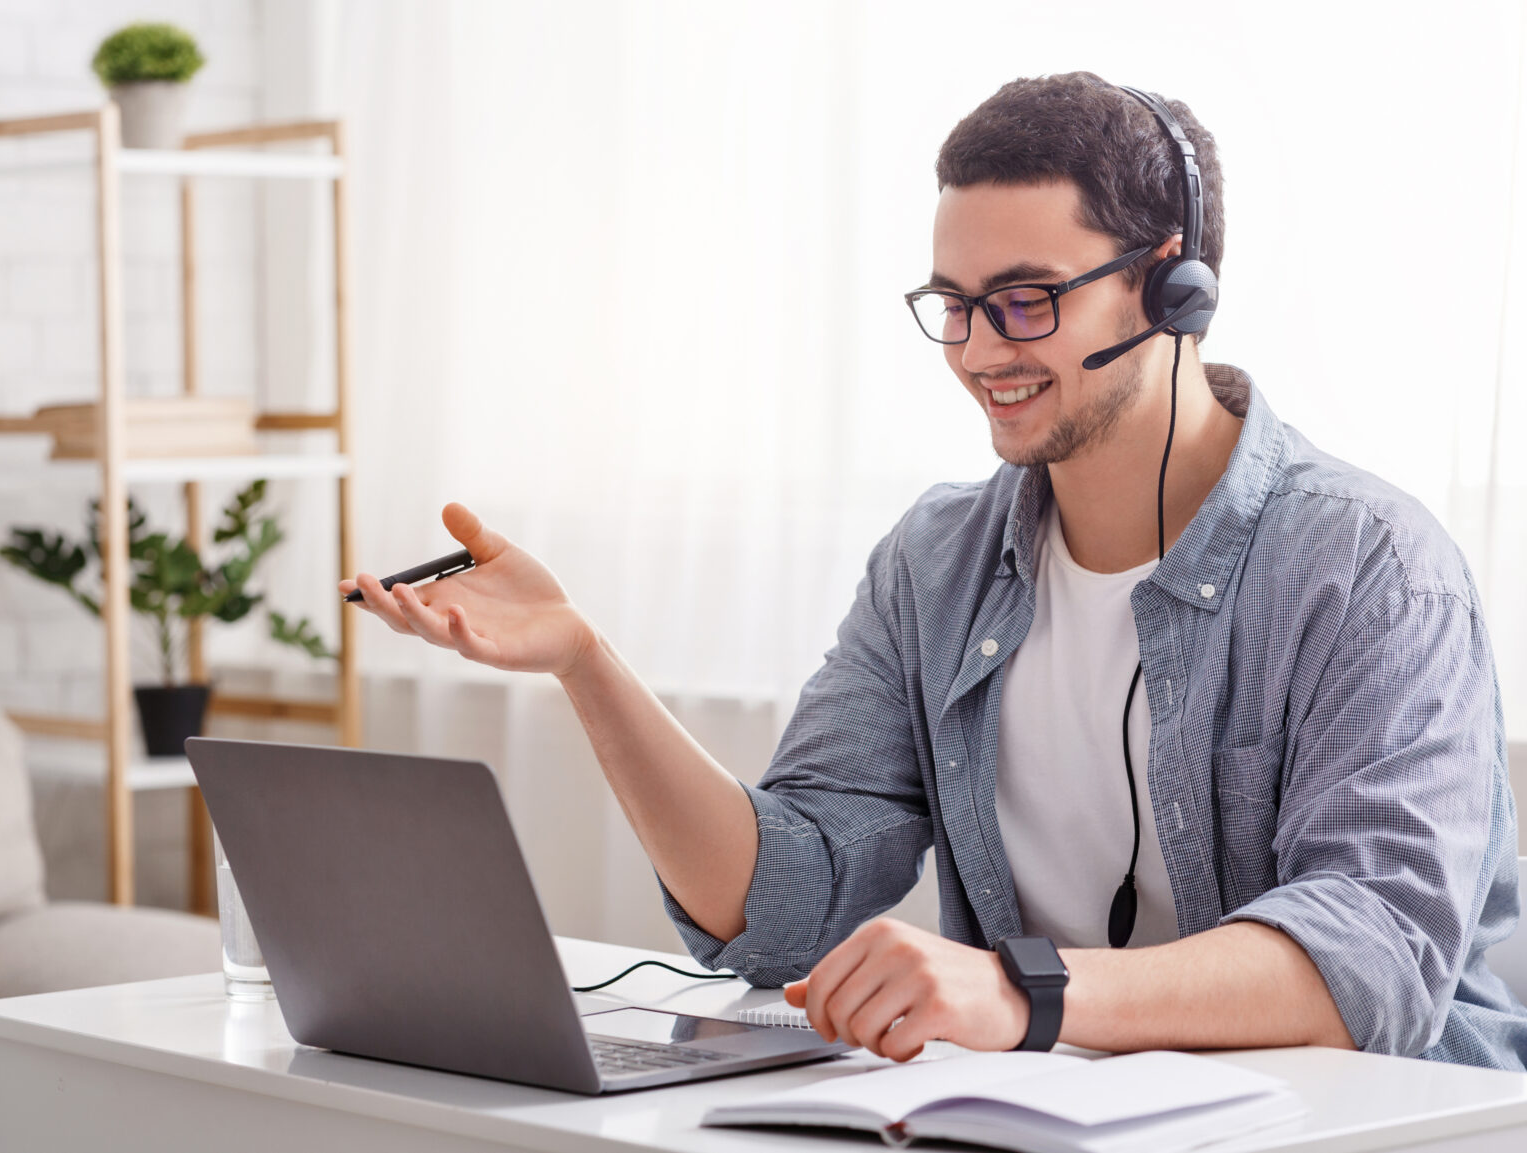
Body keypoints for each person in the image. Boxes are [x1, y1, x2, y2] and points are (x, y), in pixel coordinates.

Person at [340, 72, 1527, 1070]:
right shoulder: (938, 560)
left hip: (1380, 1122)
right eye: (950, 306)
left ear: (1172, 286)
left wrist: (1022, 995)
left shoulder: (1368, 567)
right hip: (1065, 1113)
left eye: (1021, 302)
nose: (975, 353)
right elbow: (782, 904)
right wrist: (584, 660)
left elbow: (1371, 960)